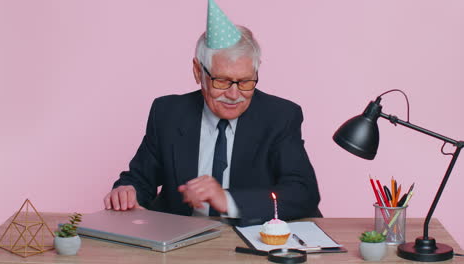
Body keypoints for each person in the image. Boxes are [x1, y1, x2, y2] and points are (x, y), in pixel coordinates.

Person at [103, 0, 320, 226]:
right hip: (181, 241)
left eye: (246, 81)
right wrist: (126, 192)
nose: (234, 94)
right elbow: (140, 179)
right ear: (198, 72)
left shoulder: (280, 116)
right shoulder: (167, 113)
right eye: (222, 81)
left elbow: (303, 192)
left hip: (253, 239)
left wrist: (227, 200)